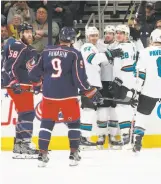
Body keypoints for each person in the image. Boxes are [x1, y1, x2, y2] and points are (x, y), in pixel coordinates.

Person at [28, 27, 102, 167]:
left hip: (49, 95)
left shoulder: (46, 51)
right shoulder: (74, 53)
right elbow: (79, 78)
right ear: (72, 39)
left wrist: (37, 86)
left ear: (59, 38)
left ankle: (42, 154)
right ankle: (73, 155)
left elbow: (33, 74)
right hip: (68, 96)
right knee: (73, 123)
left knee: (46, 124)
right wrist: (90, 91)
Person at [80, 26, 123, 150]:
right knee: (89, 110)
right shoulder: (88, 47)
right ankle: (85, 138)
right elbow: (92, 59)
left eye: (95, 35)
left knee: (90, 110)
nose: (94, 38)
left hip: (93, 83)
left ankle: (85, 138)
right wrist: (110, 54)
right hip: (89, 83)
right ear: (87, 37)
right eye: (91, 35)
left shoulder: (94, 47)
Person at [3, 23, 38, 159]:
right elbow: (9, 65)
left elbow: (30, 69)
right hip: (18, 85)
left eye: (30, 32)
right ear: (20, 33)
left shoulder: (28, 48)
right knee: (28, 113)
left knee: (24, 114)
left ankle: (19, 145)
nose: (29, 34)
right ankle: (24, 144)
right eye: (26, 32)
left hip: (24, 84)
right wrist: (13, 81)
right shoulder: (18, 46)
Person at [110, 24, 138, 149]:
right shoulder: (130, 46)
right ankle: (129, 136)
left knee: (122, 108)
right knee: (126, 108)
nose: (118, 35)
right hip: (128, 82)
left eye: (121, 33)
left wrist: (118, 82)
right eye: (117, 33)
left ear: (126, 34)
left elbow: (127, 67)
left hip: (125, 82)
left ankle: (126, 135)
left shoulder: (124, 47)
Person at [94, 25, 122, 149]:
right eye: (106, 33)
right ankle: (101, 135)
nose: (108, 35)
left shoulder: (119, 45)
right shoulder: (98, 45)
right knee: (102, 109)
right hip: (102, 81)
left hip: (116, 81)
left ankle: (113, 134)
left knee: (114, 109)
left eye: (111, 33)